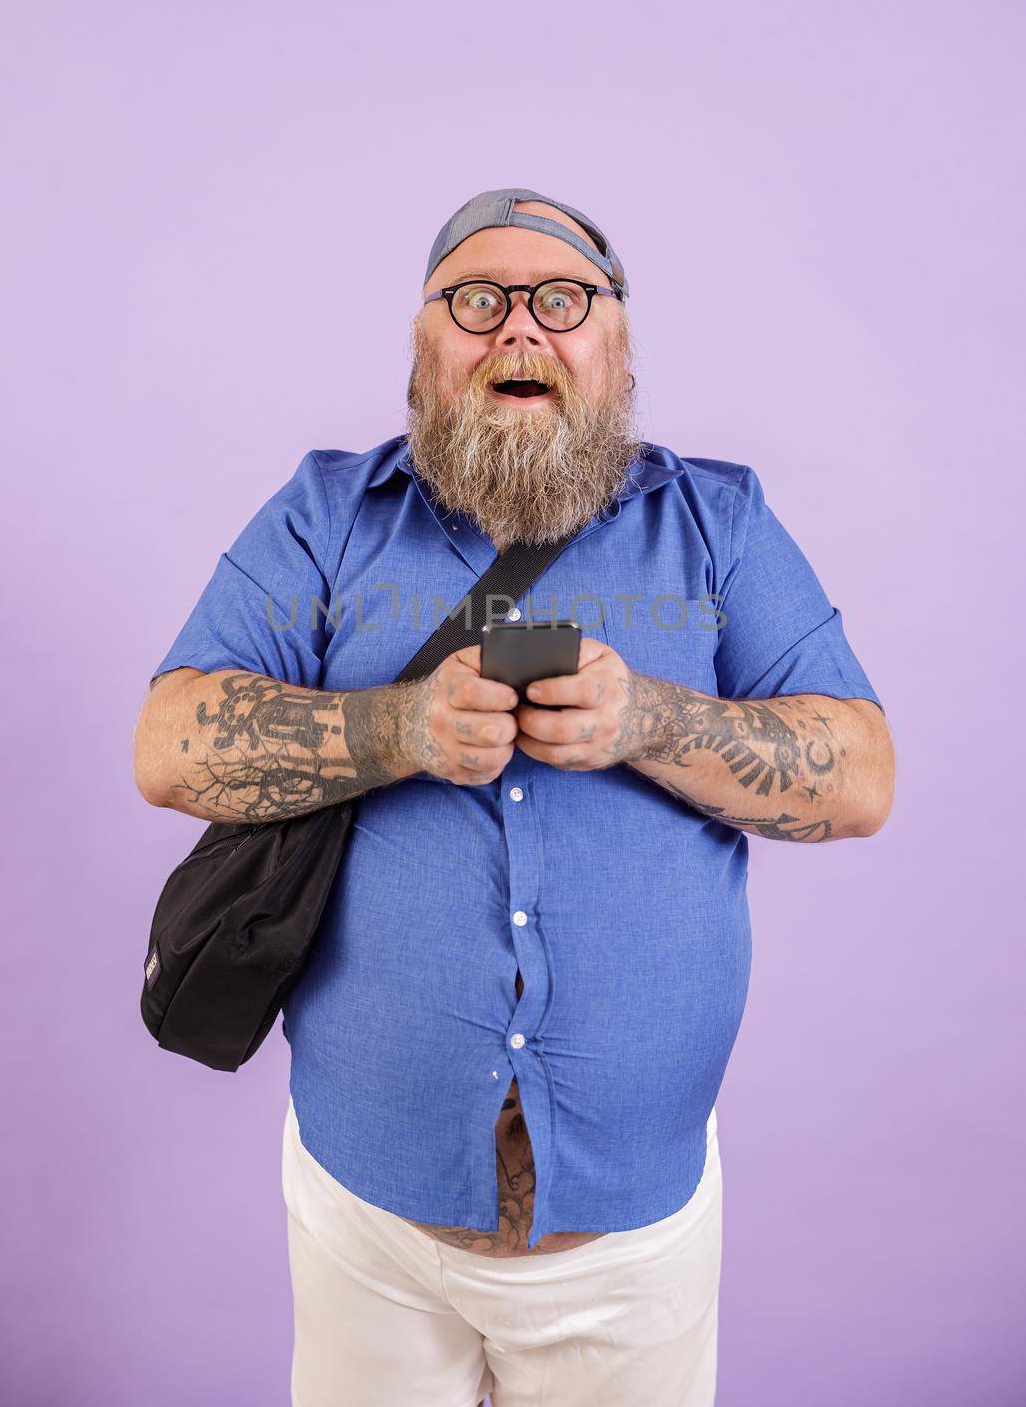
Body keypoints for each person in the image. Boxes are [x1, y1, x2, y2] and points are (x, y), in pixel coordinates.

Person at [134, 188, 895, 1407]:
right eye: (475, 302)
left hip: (629, 1231)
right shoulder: (326, 514)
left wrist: (648, 719)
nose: (519, 330)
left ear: (616, 346)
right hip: (367, 1220)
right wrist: (397, 725)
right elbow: (166, 744)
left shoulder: (718, 523)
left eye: (562, 299)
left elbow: (859, 777)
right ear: (424, 345)